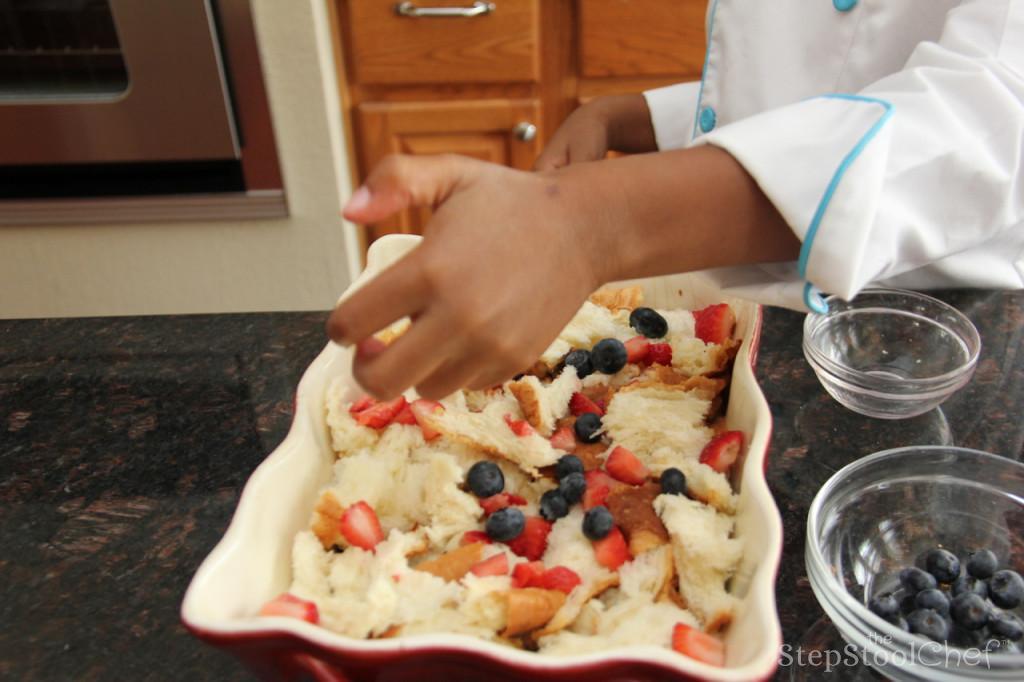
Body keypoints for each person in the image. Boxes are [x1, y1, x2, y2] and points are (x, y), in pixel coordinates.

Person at [327, 0, 1024, 401]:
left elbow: (989, 112)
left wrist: (588, 224)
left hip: (944, 345)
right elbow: (829, 84)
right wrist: (635, 116)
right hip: (771, 321)